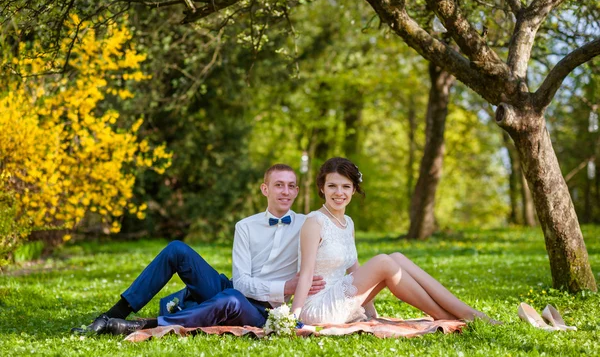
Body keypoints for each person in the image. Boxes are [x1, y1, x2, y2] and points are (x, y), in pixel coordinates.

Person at [74, 164, 325, 335]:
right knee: (177, 250)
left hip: (263, 310)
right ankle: (111, 315)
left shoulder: (308, 224)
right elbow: (242, 283)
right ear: (265, 189)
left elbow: (335, 237)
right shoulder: (245, 226)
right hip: (234, 289)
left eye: (292, 186)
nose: (286, 191)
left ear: (297, 191)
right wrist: (285, 287)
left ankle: (141, 326)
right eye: (279, 185)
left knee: (231, 299)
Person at [291, 157, 496, 325]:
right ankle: (449, 315)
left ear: (353, 190)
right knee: (384, 261)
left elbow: (355, 270)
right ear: (322, 188)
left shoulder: (348, 223)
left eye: (346, 186)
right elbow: (306, 273)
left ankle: (465, 312)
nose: (339, 192)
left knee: (397, 257)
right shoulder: (314, 222)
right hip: (317, 306)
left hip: (342, 298)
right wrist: (294, 316)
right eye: (332, 186)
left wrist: (369, 310)